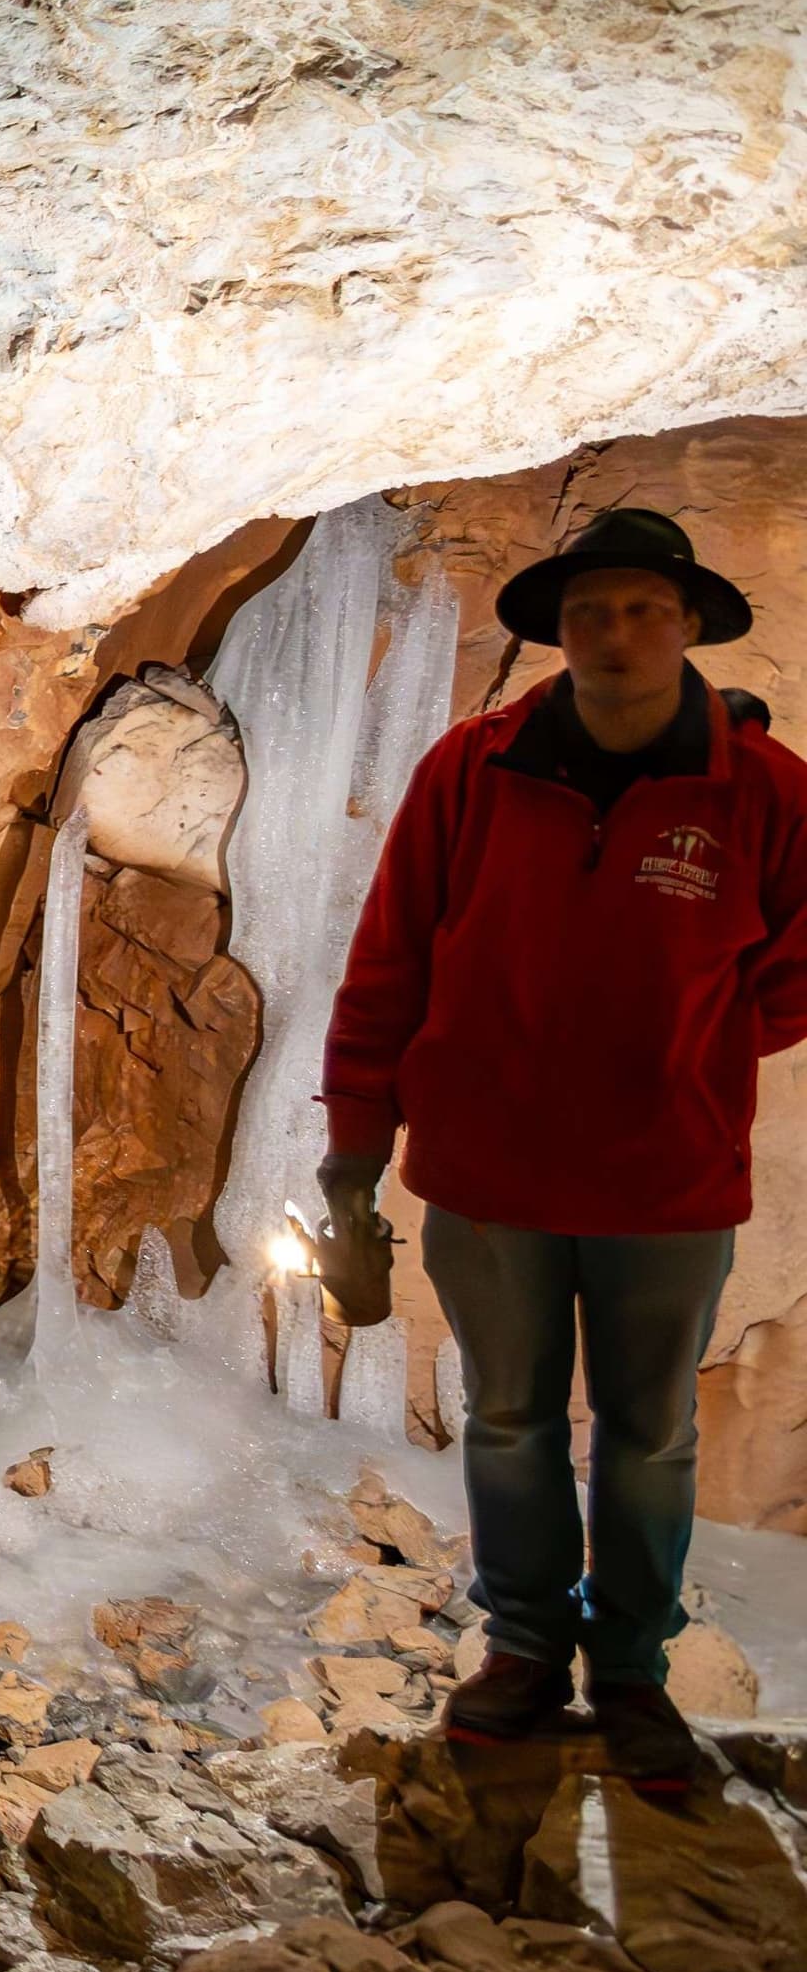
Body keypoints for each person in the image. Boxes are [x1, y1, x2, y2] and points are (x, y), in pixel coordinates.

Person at [320, 506, 807, 1789]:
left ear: (692, 621)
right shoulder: (470, 770)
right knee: (511, 1417)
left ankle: (633, 1671)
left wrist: (683, 1049)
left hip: (667, 1177)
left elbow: (800, 967)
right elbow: (389, 963)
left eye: (644, 607)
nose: (616, 632)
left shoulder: (765, 791)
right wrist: (352, 1152)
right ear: (558, 631)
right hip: (490, 1172)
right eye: (590, 611)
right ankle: (525, 1650)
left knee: (649, 1433)